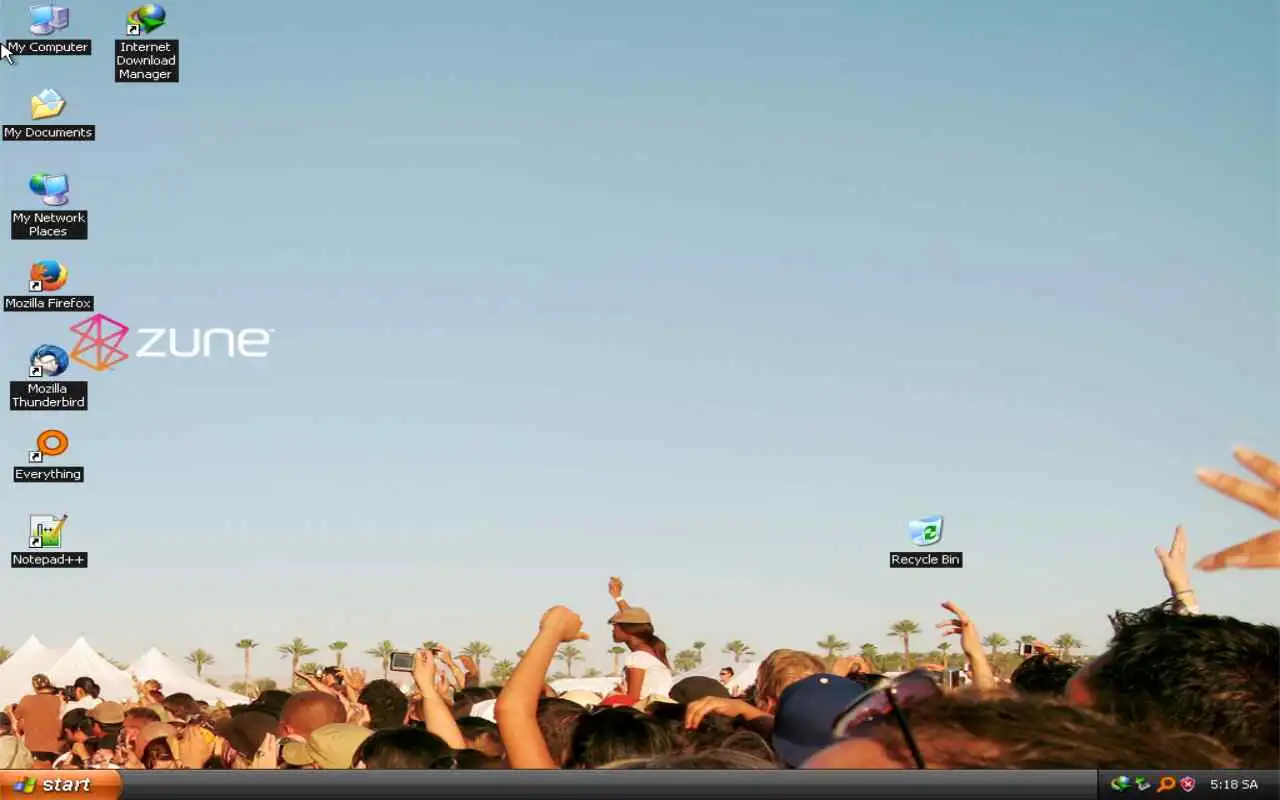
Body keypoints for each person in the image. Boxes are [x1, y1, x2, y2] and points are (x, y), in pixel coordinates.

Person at [606, 578, 673, 703]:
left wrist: (614, 695)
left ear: (628, 630)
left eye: (615, 626)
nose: (613, 630)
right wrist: (617, 597)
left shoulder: (637, 658)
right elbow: (633, 618)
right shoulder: (653, 651)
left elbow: (633, 699)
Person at [11, 674, 63, 767]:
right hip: (57, 749)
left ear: (35, 688)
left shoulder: (27, 700)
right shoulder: (59, 700)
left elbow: (16, 717)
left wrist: (11, 709)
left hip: (34, 748)